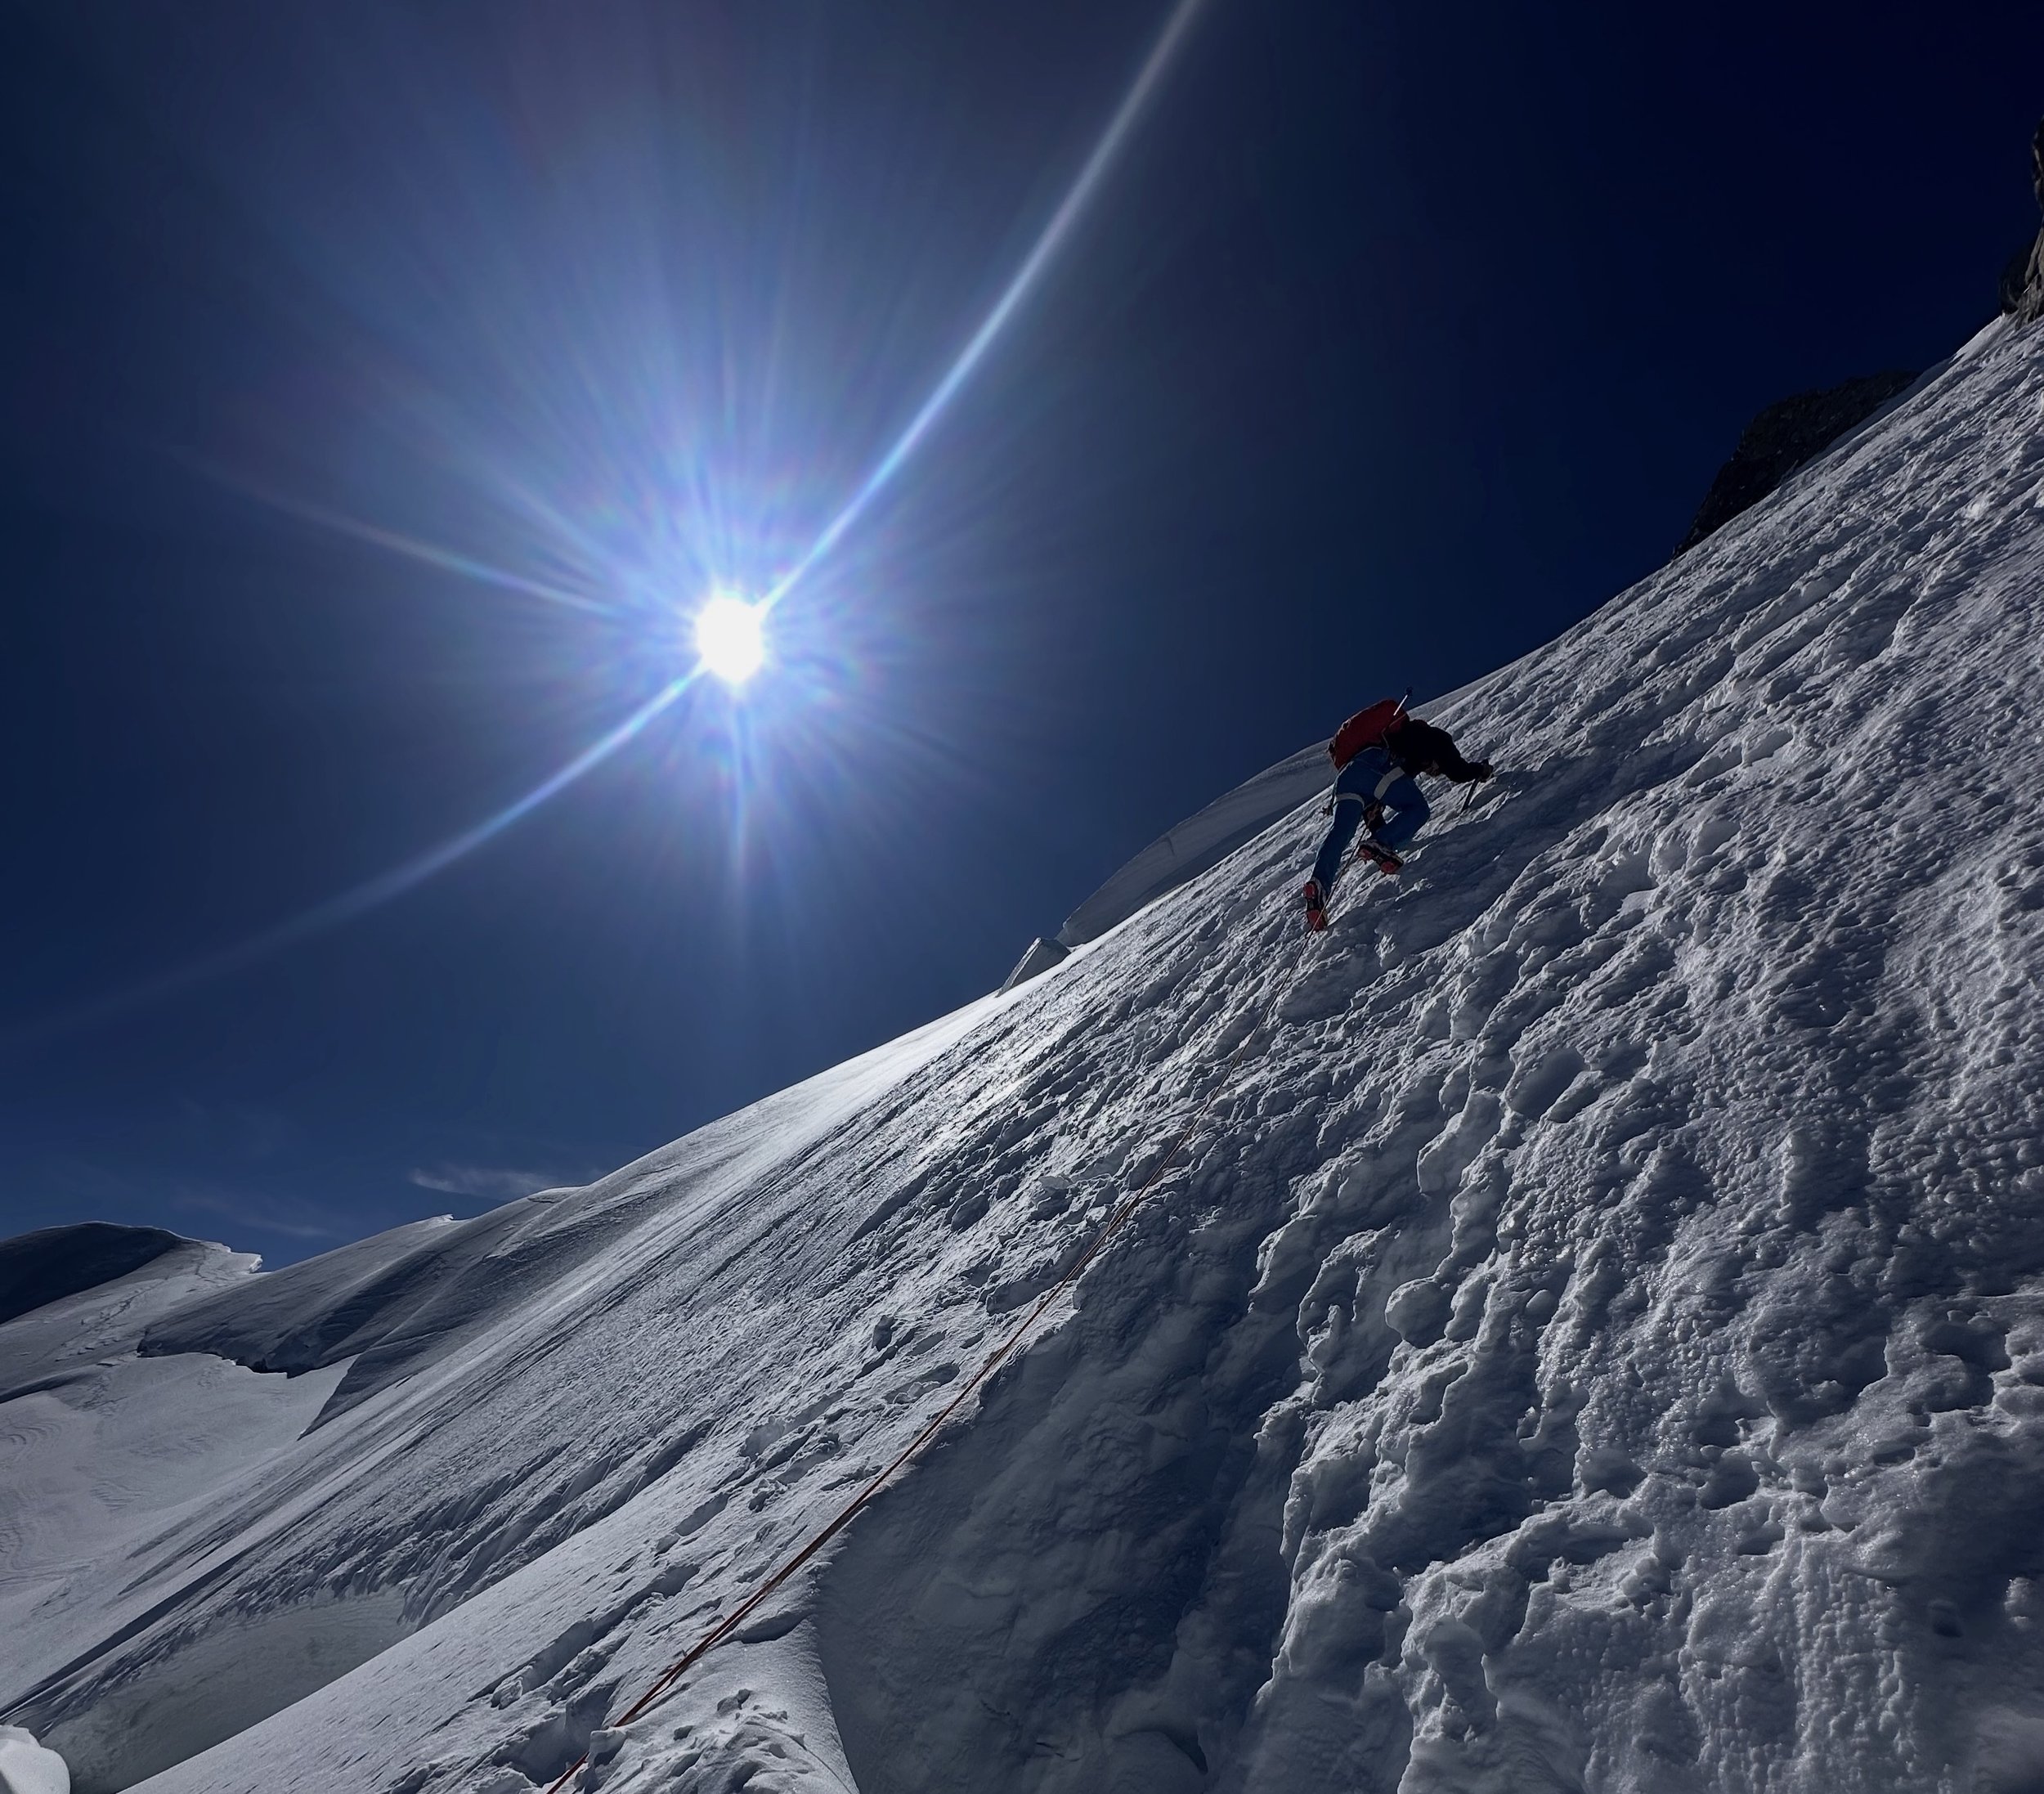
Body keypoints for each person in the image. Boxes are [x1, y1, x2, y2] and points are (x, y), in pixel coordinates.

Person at [1302, 708, 1491, 930]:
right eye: (1434, 770)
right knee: (1418, 809)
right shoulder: (1432, 737)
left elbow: (1372, 814)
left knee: (1340, 832)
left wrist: (1378, 833)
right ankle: (1383, 843)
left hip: (1347, 778)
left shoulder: (1395, 741)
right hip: (1375, 763)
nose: (1434, 772)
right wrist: (1479, 770)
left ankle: (1319, 886)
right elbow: (1457, 770)